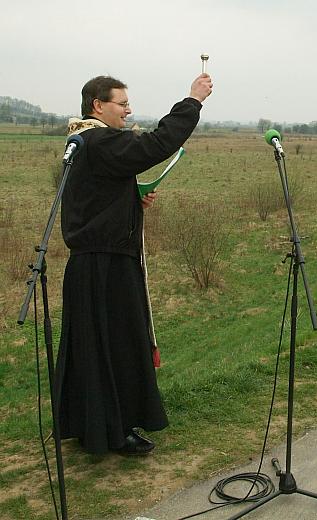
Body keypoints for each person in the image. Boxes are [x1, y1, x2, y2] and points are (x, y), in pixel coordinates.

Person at [54, 73, 213, 455]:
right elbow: (156, 144)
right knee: (118, 345)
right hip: (105, 267)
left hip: (92, 264)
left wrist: (130, 202)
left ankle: (90, 424)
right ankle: (114, 430)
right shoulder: (98, 140)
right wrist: (193, 101)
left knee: (94, 347)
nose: (128, 110)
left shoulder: (85, 142)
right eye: (121, 104)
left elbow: (93, 200)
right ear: (98, 105)